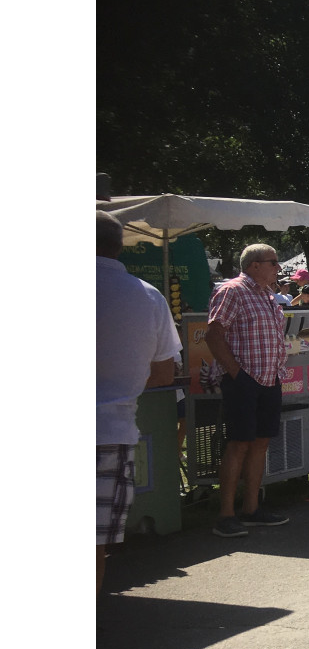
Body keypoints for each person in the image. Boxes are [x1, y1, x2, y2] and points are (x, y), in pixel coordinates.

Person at [97, 212, 181, 584]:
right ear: (121, 246)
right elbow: (164, 374)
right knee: (93, 544)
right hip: (111, 431)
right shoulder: (148, 296)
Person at [204, 243, 291, 537]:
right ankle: (225, 514)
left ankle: (251, 509)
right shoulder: (232, 290)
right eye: (273, 262)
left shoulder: (268, 295)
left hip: (269, 379)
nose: (278, 267)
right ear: (254, 265)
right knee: (239, 443)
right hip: (244, 380)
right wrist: (236, 374)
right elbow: (214, 335)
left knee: (260, 443)